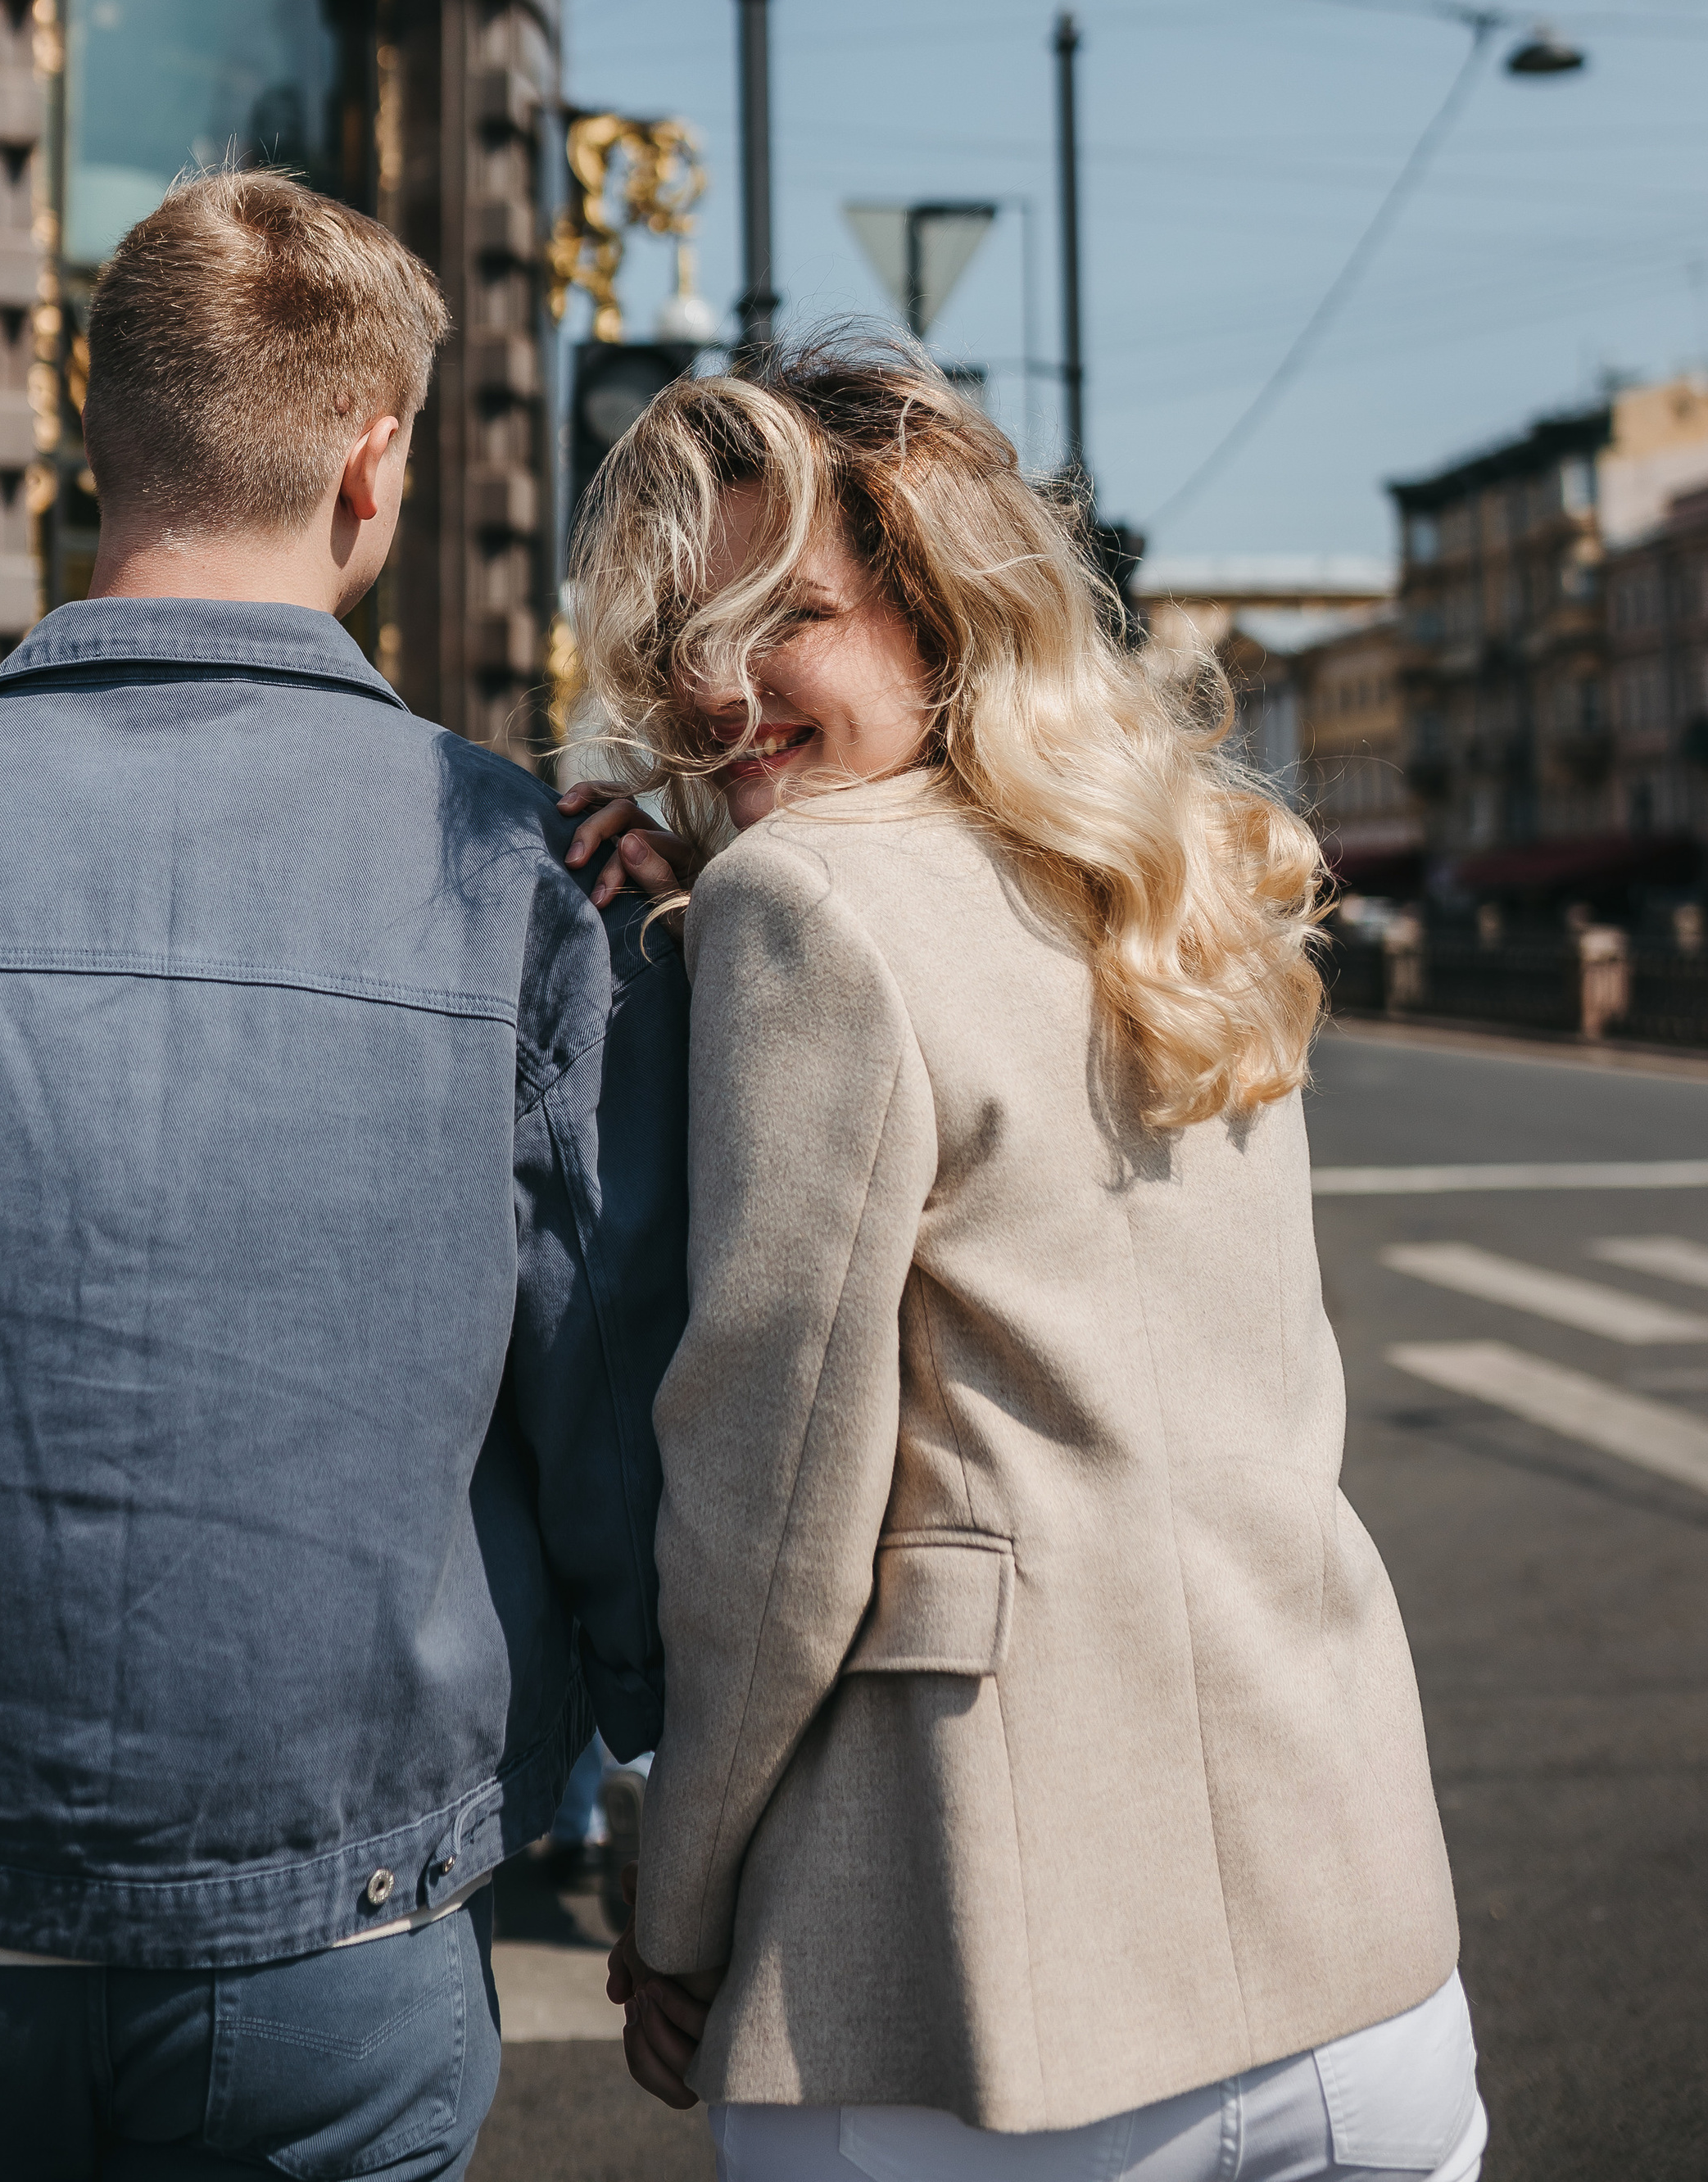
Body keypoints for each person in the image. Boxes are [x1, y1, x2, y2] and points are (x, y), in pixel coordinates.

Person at [0, 170, 688, 2182]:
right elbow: (615, 1423)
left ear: (90, 449)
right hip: (345, 1926)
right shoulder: (519, 888)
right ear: (371, 468)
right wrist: (669, 1826)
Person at [556, 333, 1484, 2182]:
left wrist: (672, 1901)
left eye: (784, 617)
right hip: (1355, 1950)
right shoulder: (1177, 874)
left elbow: (768, 1520)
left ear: (935, 616)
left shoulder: (800, 903)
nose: (714, 684)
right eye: (682, 640)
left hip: (982, 1977)